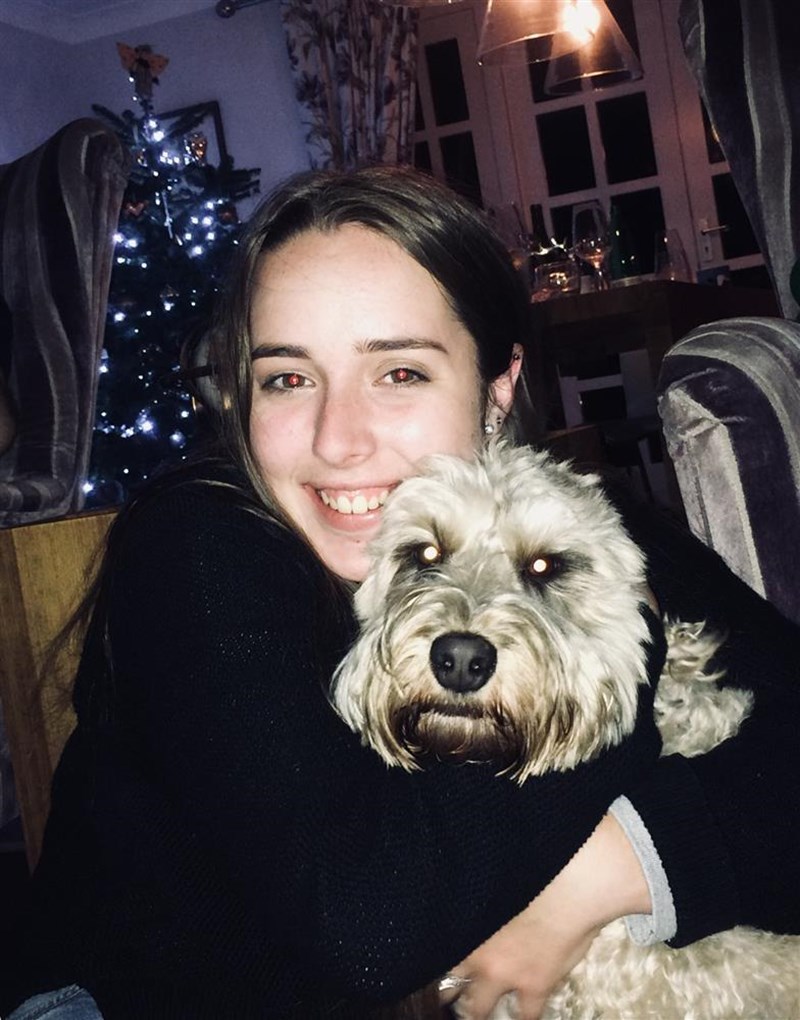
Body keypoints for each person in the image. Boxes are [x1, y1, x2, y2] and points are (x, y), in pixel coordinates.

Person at [2, 166, 798, 1020]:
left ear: (496, 391)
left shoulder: (567, 522)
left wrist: (620, 866)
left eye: (401, 373)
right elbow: (367, 927)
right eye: (288, 378)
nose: (338, 441)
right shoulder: (196, 545)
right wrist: (625, 650)